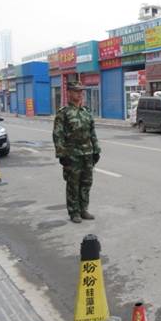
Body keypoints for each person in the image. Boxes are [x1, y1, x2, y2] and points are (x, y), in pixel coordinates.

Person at [52, 81, 100, 224]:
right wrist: (61, 154)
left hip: (87, 154)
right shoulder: (64, 113)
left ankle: (83, 209)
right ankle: (74, 212)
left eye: (81, 92)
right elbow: (57, 135)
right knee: (73, 184)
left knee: (86, 183)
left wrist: (96, 150)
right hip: (72, 155)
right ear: (69, 93)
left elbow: (92, 133)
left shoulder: (86, 112)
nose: (79, 94)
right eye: (76, 91)